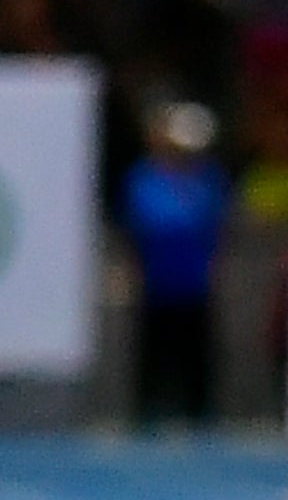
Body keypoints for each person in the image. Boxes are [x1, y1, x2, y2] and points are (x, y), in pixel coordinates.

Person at [123, 99, 230, 425]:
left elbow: (215, 221)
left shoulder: (209, 178)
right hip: (157, 284)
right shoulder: (145, 177)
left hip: (196, 284)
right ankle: (149, 412)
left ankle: (200, 414)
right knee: (155, 354)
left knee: (197, 356)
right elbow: (149, 220)